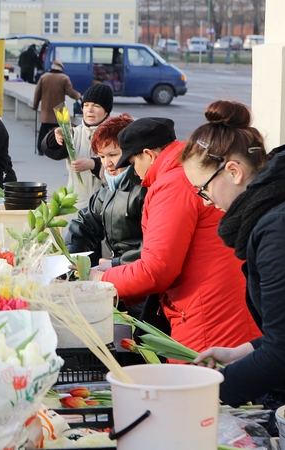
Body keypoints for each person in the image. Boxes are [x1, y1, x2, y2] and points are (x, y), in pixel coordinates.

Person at [185, 101, 285, 449]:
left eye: (202, 189)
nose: (204, 202)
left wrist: (205, 395)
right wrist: (244, 351)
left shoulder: (283, 228)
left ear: (233, 171)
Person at [88, 117, 261, 354]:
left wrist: (102, 281)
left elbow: (157, 270)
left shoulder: (172, 184)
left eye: (132, 162)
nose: (134, 173)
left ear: (148, 155)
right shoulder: (184, 172)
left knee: (199, 386)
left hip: (207, 315)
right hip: (222, 305)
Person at [64, 113, 144, 269]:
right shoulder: (108, 189)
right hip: (119, 269)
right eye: (101, 156)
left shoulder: (144, 189)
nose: (107, 163)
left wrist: (114, 264)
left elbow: (151, 249)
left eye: (113, 155)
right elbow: (85, 224)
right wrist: (69, 257)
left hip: (136, 273)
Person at [42, 84, 114, 211]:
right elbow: (51, 151)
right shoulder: (74, 133)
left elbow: (121, 170)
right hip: (76, 207)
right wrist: (55, 136)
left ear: (106, 111)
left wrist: (94, 164)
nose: (89, 110)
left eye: (96, 106)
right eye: (86, 105)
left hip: (106, 207)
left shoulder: (114, 135)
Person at [32, 61, 81, 155]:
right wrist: (78, 96)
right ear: (61, 69)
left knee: (43, 130)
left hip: (46, 109)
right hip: (60, 109)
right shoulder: (64, 78)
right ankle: (60, 150)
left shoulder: (44, 77)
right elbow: (70, 92)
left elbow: (37, 93)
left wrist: (35, 106)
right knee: (62, 131)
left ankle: (40, 149)